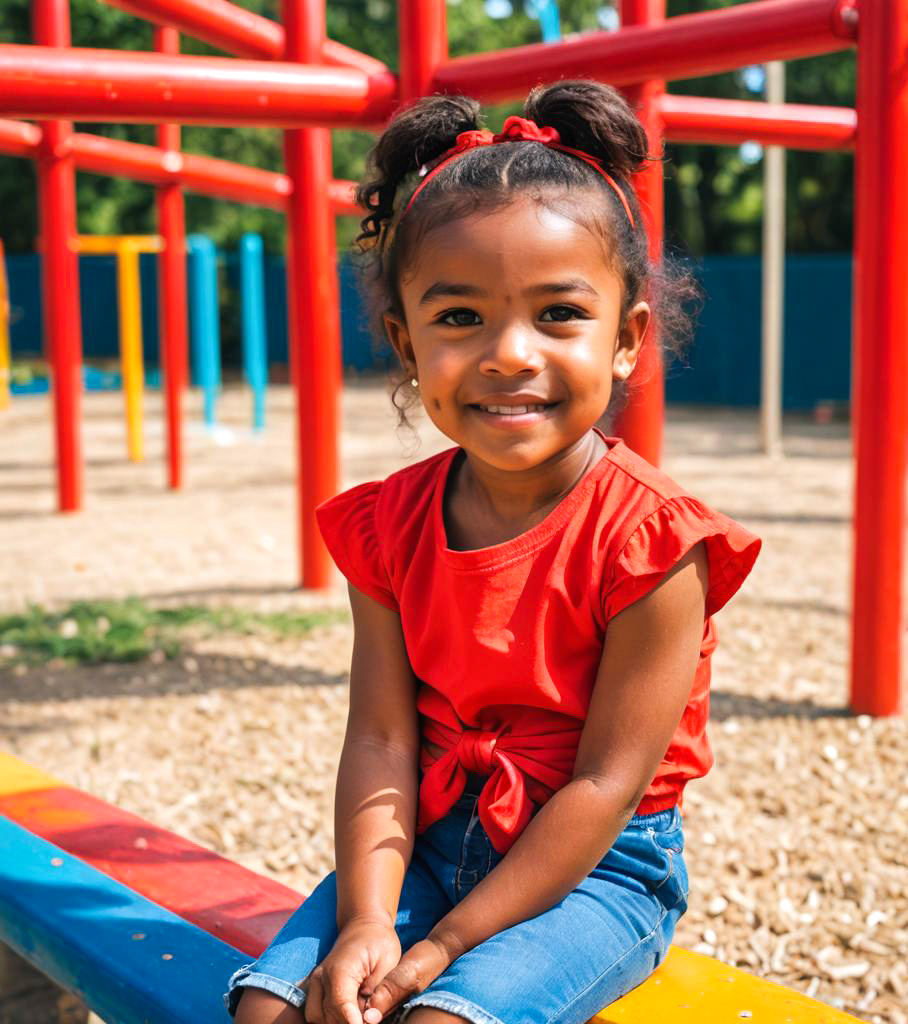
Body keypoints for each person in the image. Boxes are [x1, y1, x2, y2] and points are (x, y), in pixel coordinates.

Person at [226, 80, 761, 1024]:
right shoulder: (388, 526)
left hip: (601, 867)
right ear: (405, 339)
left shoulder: (654, 544)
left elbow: (604, 785)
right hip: (430, 839)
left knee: (443, 1019)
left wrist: (442, 948)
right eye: (460, 317)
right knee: (275, 1010)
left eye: (559, 314)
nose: (510, 354)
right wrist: (365, 918)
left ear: (628, 338)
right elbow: (384, 739)